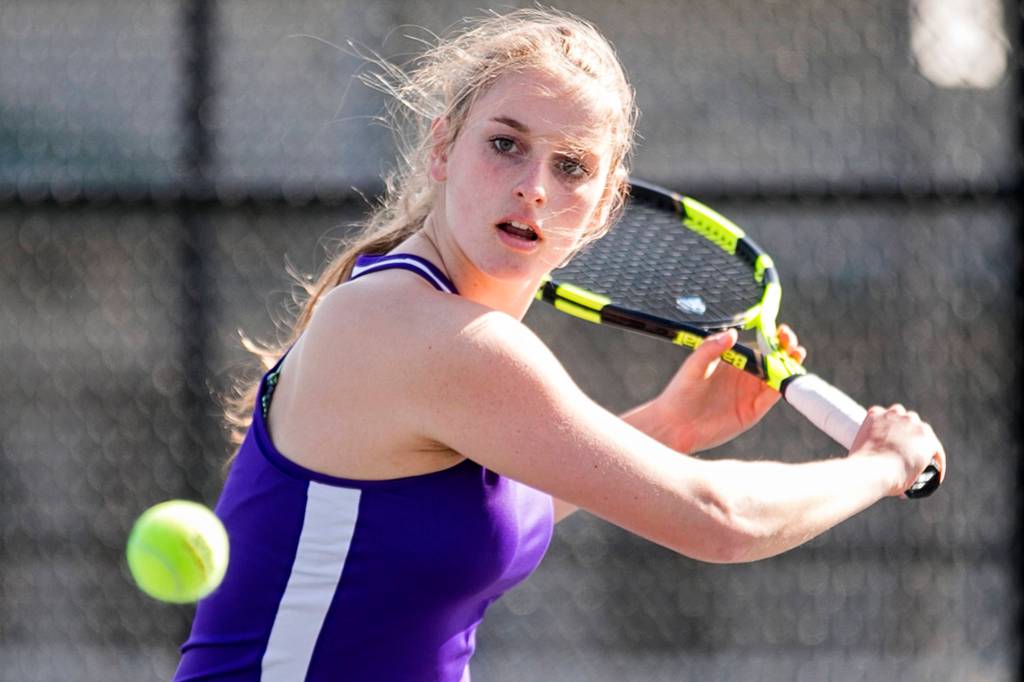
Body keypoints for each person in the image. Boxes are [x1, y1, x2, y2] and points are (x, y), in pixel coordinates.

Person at [173, 8, 945, 682]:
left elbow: (482, 514)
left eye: (571, 166)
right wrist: (880, 463)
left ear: (604, 207)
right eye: (505, 144)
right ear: (442, 149)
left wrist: (669, 426)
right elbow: (718, 519)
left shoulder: (423, 325)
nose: (534, 187)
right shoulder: (428, 332)